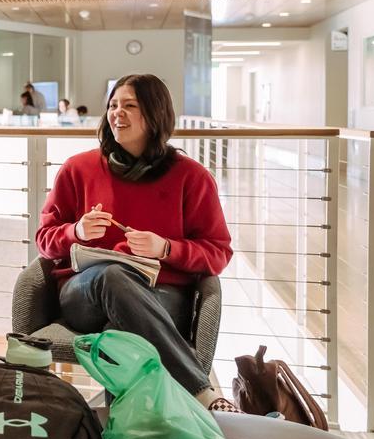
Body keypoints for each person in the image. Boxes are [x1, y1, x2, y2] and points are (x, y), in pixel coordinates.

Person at [35, 73, 239, 412]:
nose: (117, 113)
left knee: (122, 333)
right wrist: (77, 233)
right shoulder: (78, 169)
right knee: (112, 275)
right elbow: (44, 240)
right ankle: (201, 393)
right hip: (83, 293)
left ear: (156, 114)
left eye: (130, 105)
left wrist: (166, 249)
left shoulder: (191, 177)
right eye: (113, 105)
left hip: (161, 296)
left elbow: (218, 252)